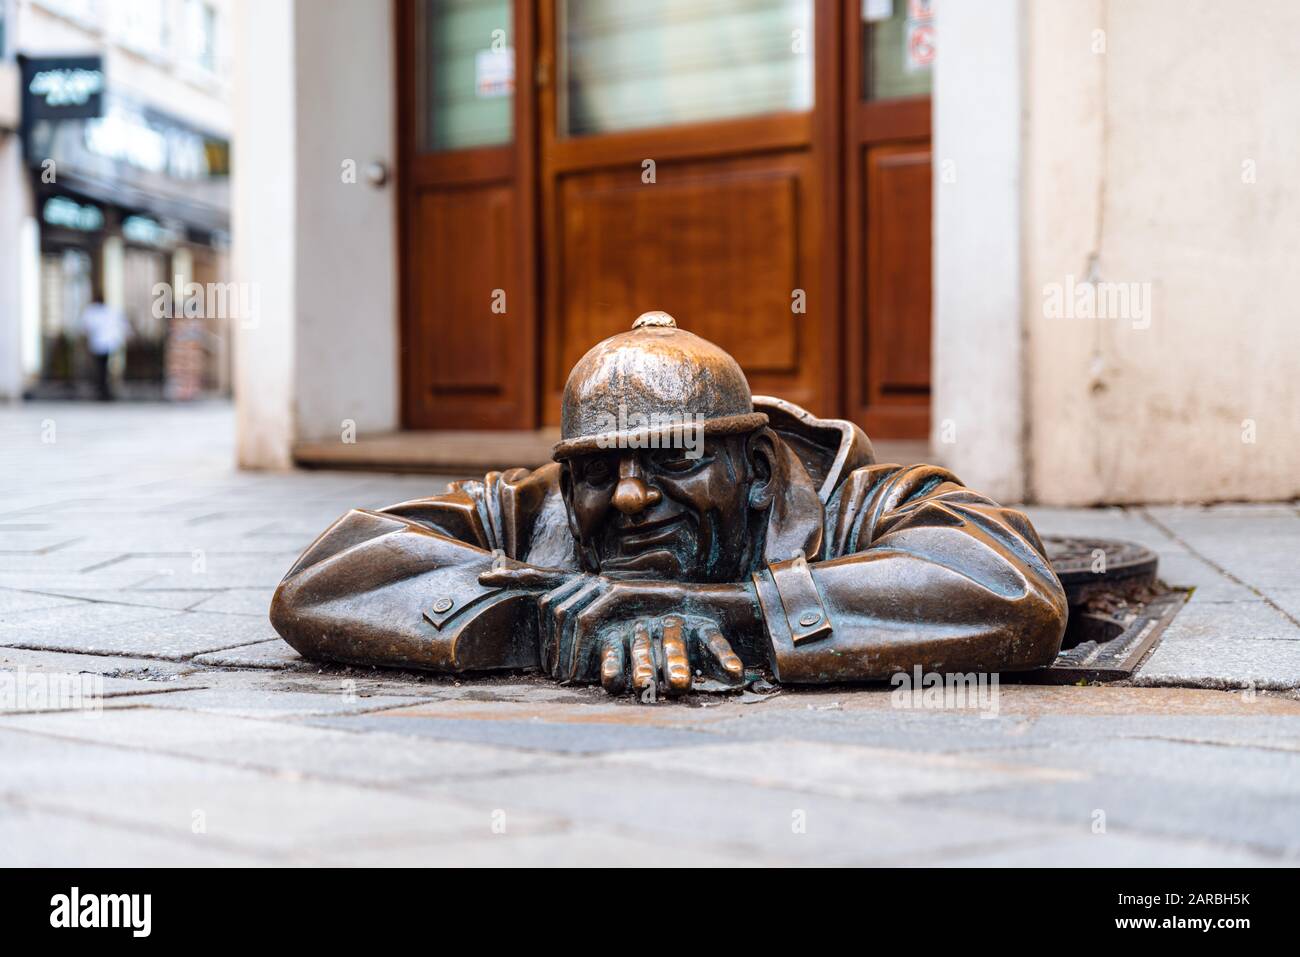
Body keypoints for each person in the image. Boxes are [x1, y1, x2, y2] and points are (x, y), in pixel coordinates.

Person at [270, 312, 1067, 696]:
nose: (625, 493)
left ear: (755, 467)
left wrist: (721, 610)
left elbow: (1013, 592)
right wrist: (538, 615)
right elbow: (321, 579)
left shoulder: (863, 501)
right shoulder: (543, 505)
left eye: (673, 459)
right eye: (597, 468)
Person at [79, 294, 129, 401]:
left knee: (101, 367)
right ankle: (103, 389)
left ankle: (103, 389)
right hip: (107, 343)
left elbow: (86, 327)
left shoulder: (92, 312)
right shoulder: (108, 311)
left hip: (100, 344)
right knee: (103, 367)